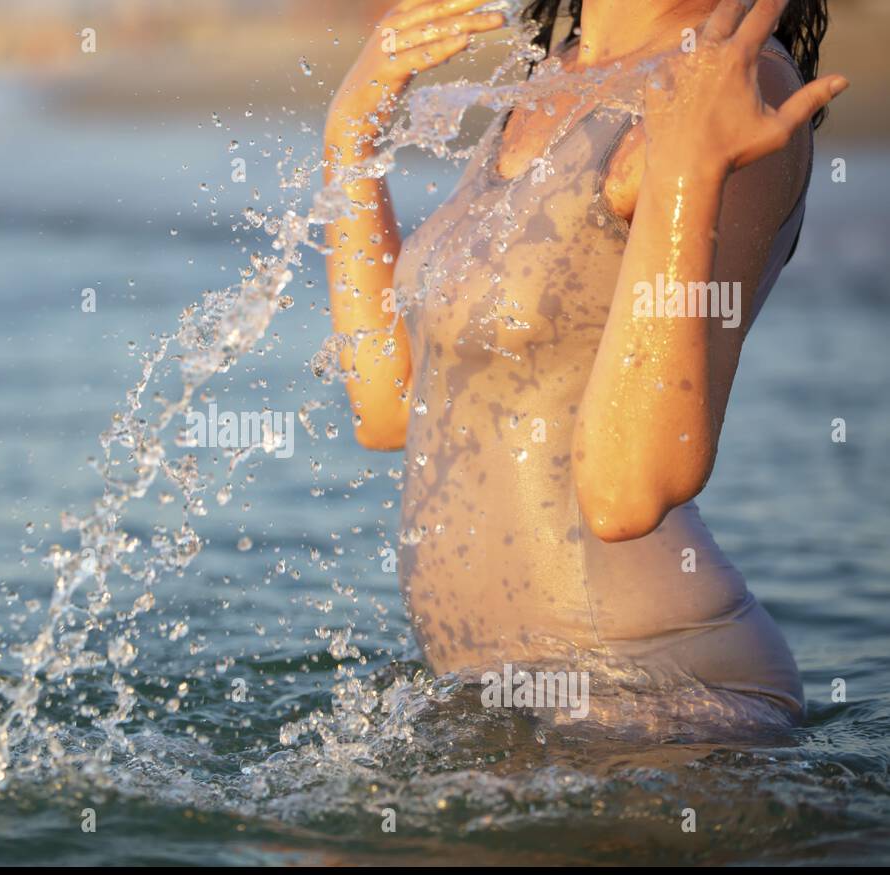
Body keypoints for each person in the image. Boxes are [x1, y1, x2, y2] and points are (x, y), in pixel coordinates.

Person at [323, 0, 847, 727]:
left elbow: (626, 493)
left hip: (657, 703)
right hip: (506, 707)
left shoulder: (736, 75)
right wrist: (350, 134)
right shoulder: (555, 73)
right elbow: (388, 406)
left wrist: (686, 169)